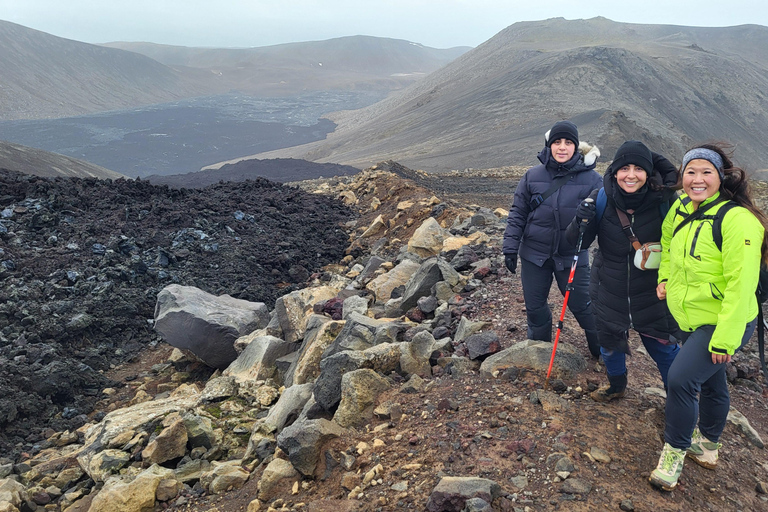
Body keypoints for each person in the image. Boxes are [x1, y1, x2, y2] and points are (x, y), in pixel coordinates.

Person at [649, 143, 768, 491]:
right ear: (682, 176)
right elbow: (668, 243)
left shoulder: (737, 220)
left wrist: (725, 339)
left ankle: (674, 454)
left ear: (721, 177)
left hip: (724, 321)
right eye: (690, 172)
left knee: (681, 380)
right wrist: (664, 277)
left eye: (706, 172)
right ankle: (709, 446)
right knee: (712, 381)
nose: (697, 179)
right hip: (691, 315)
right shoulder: (681, 208)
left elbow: (741, 286)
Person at [566, 140, 681, 401]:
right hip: (609, 287)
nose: (631, 175)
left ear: (649, 173)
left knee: (664, 348)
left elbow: (680, 247)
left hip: (654, 293)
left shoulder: (667, 201)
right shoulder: (602, 197)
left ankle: (678, 401)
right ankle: (616, 386)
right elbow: (578, 243)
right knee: (610, 346)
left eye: (638, 169)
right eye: (624, 168)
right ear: (615, 172)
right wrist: (580, 220)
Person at [503, 120, 602, 357]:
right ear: (549, 145)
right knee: (535, 308)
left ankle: (602, 351)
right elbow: (518, 213)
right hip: (534, 255)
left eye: (568, 142)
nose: (562, 147)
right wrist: (510, 247)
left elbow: (602, 223)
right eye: (557, 142)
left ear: (576, 147)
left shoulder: (594, 180)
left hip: (572, 256)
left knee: (582, 306)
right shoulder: (531, 176)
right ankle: (540, 351)